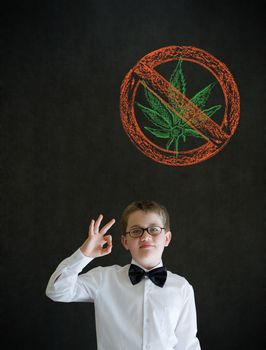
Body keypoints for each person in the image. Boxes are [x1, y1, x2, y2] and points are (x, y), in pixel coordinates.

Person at [46, 200, 201, 350]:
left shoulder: (182, 287)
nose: (145, 237)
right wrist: (84, 254)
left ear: (166, 238)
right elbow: (56, 290)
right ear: (125, 241)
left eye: (154, 229)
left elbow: (187, 345)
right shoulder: (104, 279)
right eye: (136, 231)